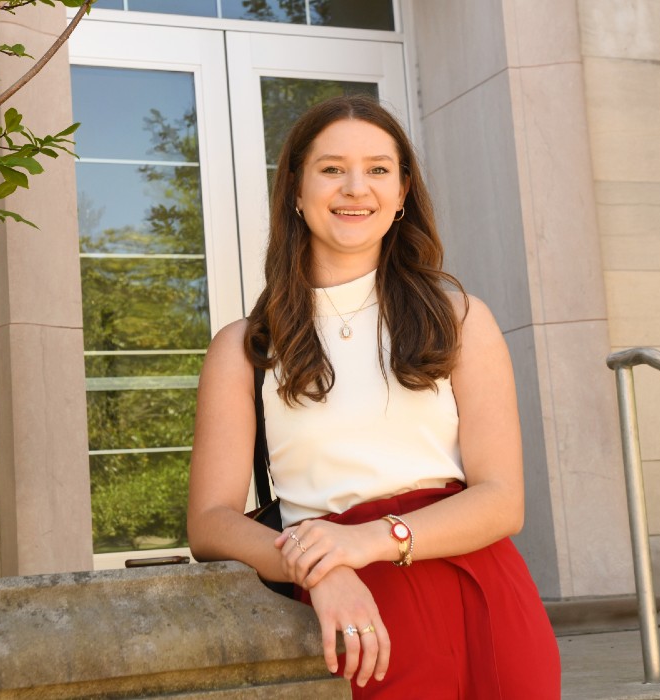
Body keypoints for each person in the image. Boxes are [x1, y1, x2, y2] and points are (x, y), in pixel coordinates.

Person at [187, 94, 560, 698]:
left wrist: (367, 542)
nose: (356, 188)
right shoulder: (245, 347)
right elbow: (210, 523)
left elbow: (502, 500)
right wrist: (320, 564)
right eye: (332, 169)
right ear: (295, 191)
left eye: (379, 169)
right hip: (360, 623)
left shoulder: (460, 319)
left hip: (482, 593)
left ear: (403, 191)